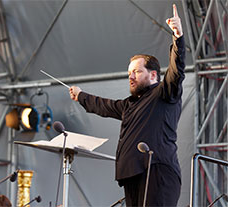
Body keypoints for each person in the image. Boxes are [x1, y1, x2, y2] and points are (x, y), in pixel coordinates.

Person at [69, 4, 185, 207]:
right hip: (133, 174)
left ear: (153, 75)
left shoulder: (164, 93)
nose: (130, 76)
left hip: (157, 171)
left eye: (136, 72)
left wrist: (177, 38)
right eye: (129, 72)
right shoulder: (130, 105)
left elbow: (176, 72)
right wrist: (81, 96)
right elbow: (103, 106)